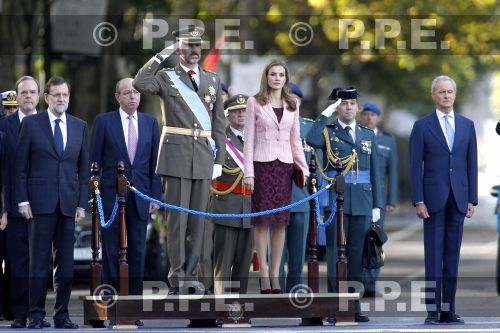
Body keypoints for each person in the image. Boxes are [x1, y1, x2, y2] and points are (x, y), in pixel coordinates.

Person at [133, 26, 226, 295]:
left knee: (198, 221)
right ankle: (177, 279)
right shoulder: (166, 77)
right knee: (178, 221)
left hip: (203, 157)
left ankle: (193, 277)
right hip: (175, 156)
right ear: (179, 49)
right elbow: (140, 82)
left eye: (197, 47)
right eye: (187, 46)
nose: (193, 51)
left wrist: (218, 158)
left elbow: (218, 124)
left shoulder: (212, 80)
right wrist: (164, 54)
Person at [15, 76, 88, 329]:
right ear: (46, 98)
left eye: (65, 95)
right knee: (38, 263)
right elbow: (20, 167)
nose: (61, 99)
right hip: (39, 204)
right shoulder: (33, 125)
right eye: (56, 95)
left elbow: (82, 170)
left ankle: (62, 315)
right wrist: (22, 200)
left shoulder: (79, 126)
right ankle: (35, 314)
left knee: (65, 266)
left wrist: (81, 204)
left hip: (68, 205)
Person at [306, 87, 382, 322]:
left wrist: (377, 204)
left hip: (361, 202)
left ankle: (354, 308)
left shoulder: (368, 134)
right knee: (334, 256)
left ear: (358, 107)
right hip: (335, 203)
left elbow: (375, 172)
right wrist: (323, 115)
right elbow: (310, 138)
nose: (349, 107)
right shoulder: (328, 131)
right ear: (337, 107)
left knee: (356, 257)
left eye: (352, 103)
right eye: (343, 103)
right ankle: (333, 307)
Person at [90, 78, 162, 326]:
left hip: (141, 196)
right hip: (111, 196)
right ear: (117, 97)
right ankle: (112, 307)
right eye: (127, 92)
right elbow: (95, 162)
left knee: (137, 252)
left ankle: (134, 309)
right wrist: (95, 193)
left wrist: (155, 197)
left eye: (136, 92)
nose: (133, 96)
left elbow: (155, 165)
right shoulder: (103, 121)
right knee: (111, 252)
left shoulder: (151, 123)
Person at [409, 75, 478, 324]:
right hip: (432, 199)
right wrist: (418, 199)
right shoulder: (422, 126)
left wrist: (472, 198)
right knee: (433, 257)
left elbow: (471, 163)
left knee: (452, 256)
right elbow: (416, 166)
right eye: (441, 92)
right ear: (433, 95)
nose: (446, 96)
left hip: (459, 198)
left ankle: (449, 309)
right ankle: (432, 310)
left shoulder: (467, 125)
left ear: (455, 95)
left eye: (450, 92)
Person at [243, 59, 309, 294]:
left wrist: (304, 169)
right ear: (266, 77)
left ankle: (275, 275)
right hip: (261, 166)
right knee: (262, 223)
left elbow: (296, 140)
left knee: (281, 222)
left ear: (286, 78)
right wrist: (248, 173)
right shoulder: (254, 102)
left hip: (284, 167)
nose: (277, 78)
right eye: (273, 74)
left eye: (281, 75)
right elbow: (248, 140)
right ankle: (263, 276)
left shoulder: (293, 104)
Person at [0, 76, 51, 329]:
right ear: (17, 97)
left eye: (33, 92)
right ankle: (20, 314)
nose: (28, 97)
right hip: (15, 206)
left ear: (39, 95)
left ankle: (38, 313)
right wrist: (4, 209)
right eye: (24, 93)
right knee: (18, 262)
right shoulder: (5, 127)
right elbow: (3, 172)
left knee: (40, 261)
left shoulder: (49, 123)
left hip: (44, 205)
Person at [211, 94, 253, 294]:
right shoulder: (219, 138)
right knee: (223, 261)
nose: (242, 114)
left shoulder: (256, 138)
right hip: (226, 205)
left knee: (244, 263)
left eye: (245, 111)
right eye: (237, 111)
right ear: (227, 115)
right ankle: (221, 304)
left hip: (251, 207)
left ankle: (239, 307)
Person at [359, 101, 398, 297]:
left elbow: (393, 172)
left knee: (375, 239)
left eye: (372, 115)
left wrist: (391, 200)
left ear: (378, 118)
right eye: (365, 114)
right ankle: (356, 282)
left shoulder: (387, 141)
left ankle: (371, 283)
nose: (368, 118)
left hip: (378, 198)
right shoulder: (355, 135)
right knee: (357, 238)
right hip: (358, 195)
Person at [278, 82, 315, 292]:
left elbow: (317, 163)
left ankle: (295, 289)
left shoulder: (310, 128)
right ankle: (276, 289)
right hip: (275, 198)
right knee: (275, 251)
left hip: (301, 197)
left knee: (298, 250)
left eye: (294, 99)